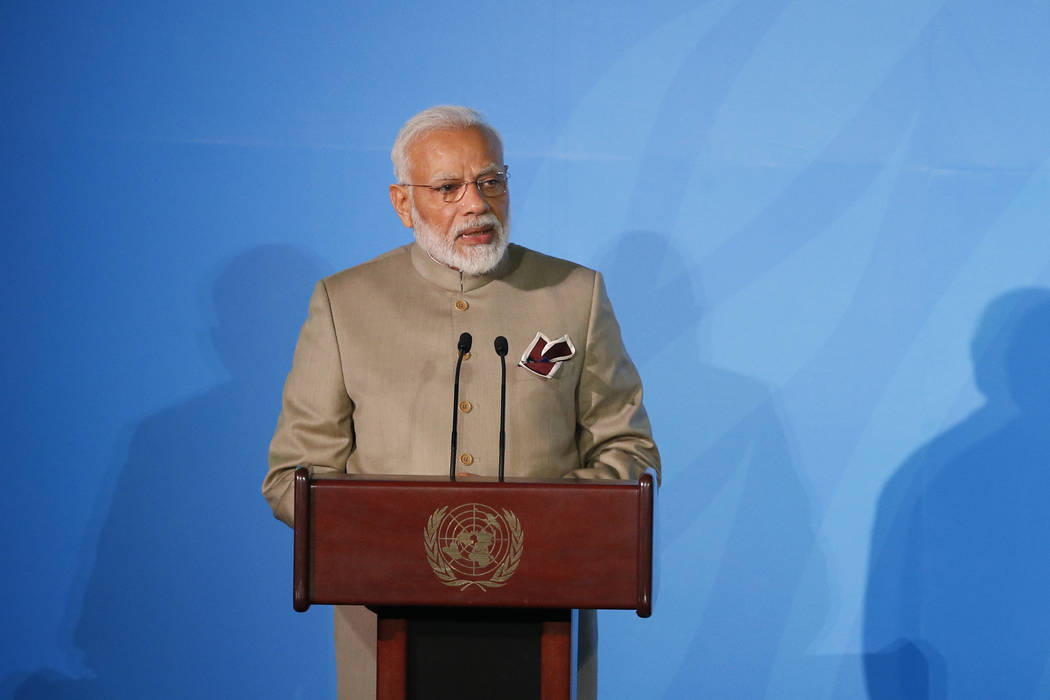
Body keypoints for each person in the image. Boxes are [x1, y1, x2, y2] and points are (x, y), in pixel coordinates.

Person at [263, 105, 660, 698]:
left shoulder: (575, 295)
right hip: (385, 622)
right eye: (448, 188)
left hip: (544, 617)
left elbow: (629, 450)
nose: (476, 204)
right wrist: (400, 536)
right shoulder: (344, 304)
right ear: (403, 204)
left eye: (491, 181)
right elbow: (294, 477)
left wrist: (544, 528)